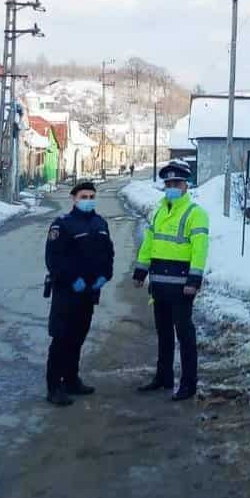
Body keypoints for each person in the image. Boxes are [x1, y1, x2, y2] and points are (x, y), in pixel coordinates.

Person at [132, 161, 209, 401]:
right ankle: (163, 377)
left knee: (184, 335)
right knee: (163, 333)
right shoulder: (159, 211)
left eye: (176, 183)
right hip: (159, 284)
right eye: (168, 183)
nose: (172, 187)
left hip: (182, 286)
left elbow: (200, 250)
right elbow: (149, 243)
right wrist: (140, 271)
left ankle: (188, 384)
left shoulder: (195, 213)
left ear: (186, 185)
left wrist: (194, 280)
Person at [44, 180, 115, 406]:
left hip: (89, 292)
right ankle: (54, 387)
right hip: (67, 291)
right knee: (61, 338)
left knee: (78, 337)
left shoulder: (100, 223)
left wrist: (106, 275)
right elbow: (54, 259)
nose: (88, 200)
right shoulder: (62, 225)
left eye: (91, 197)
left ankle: (72, 380)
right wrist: (72, 279)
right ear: (74, 199)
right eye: (83, 197)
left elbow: (108, 254)